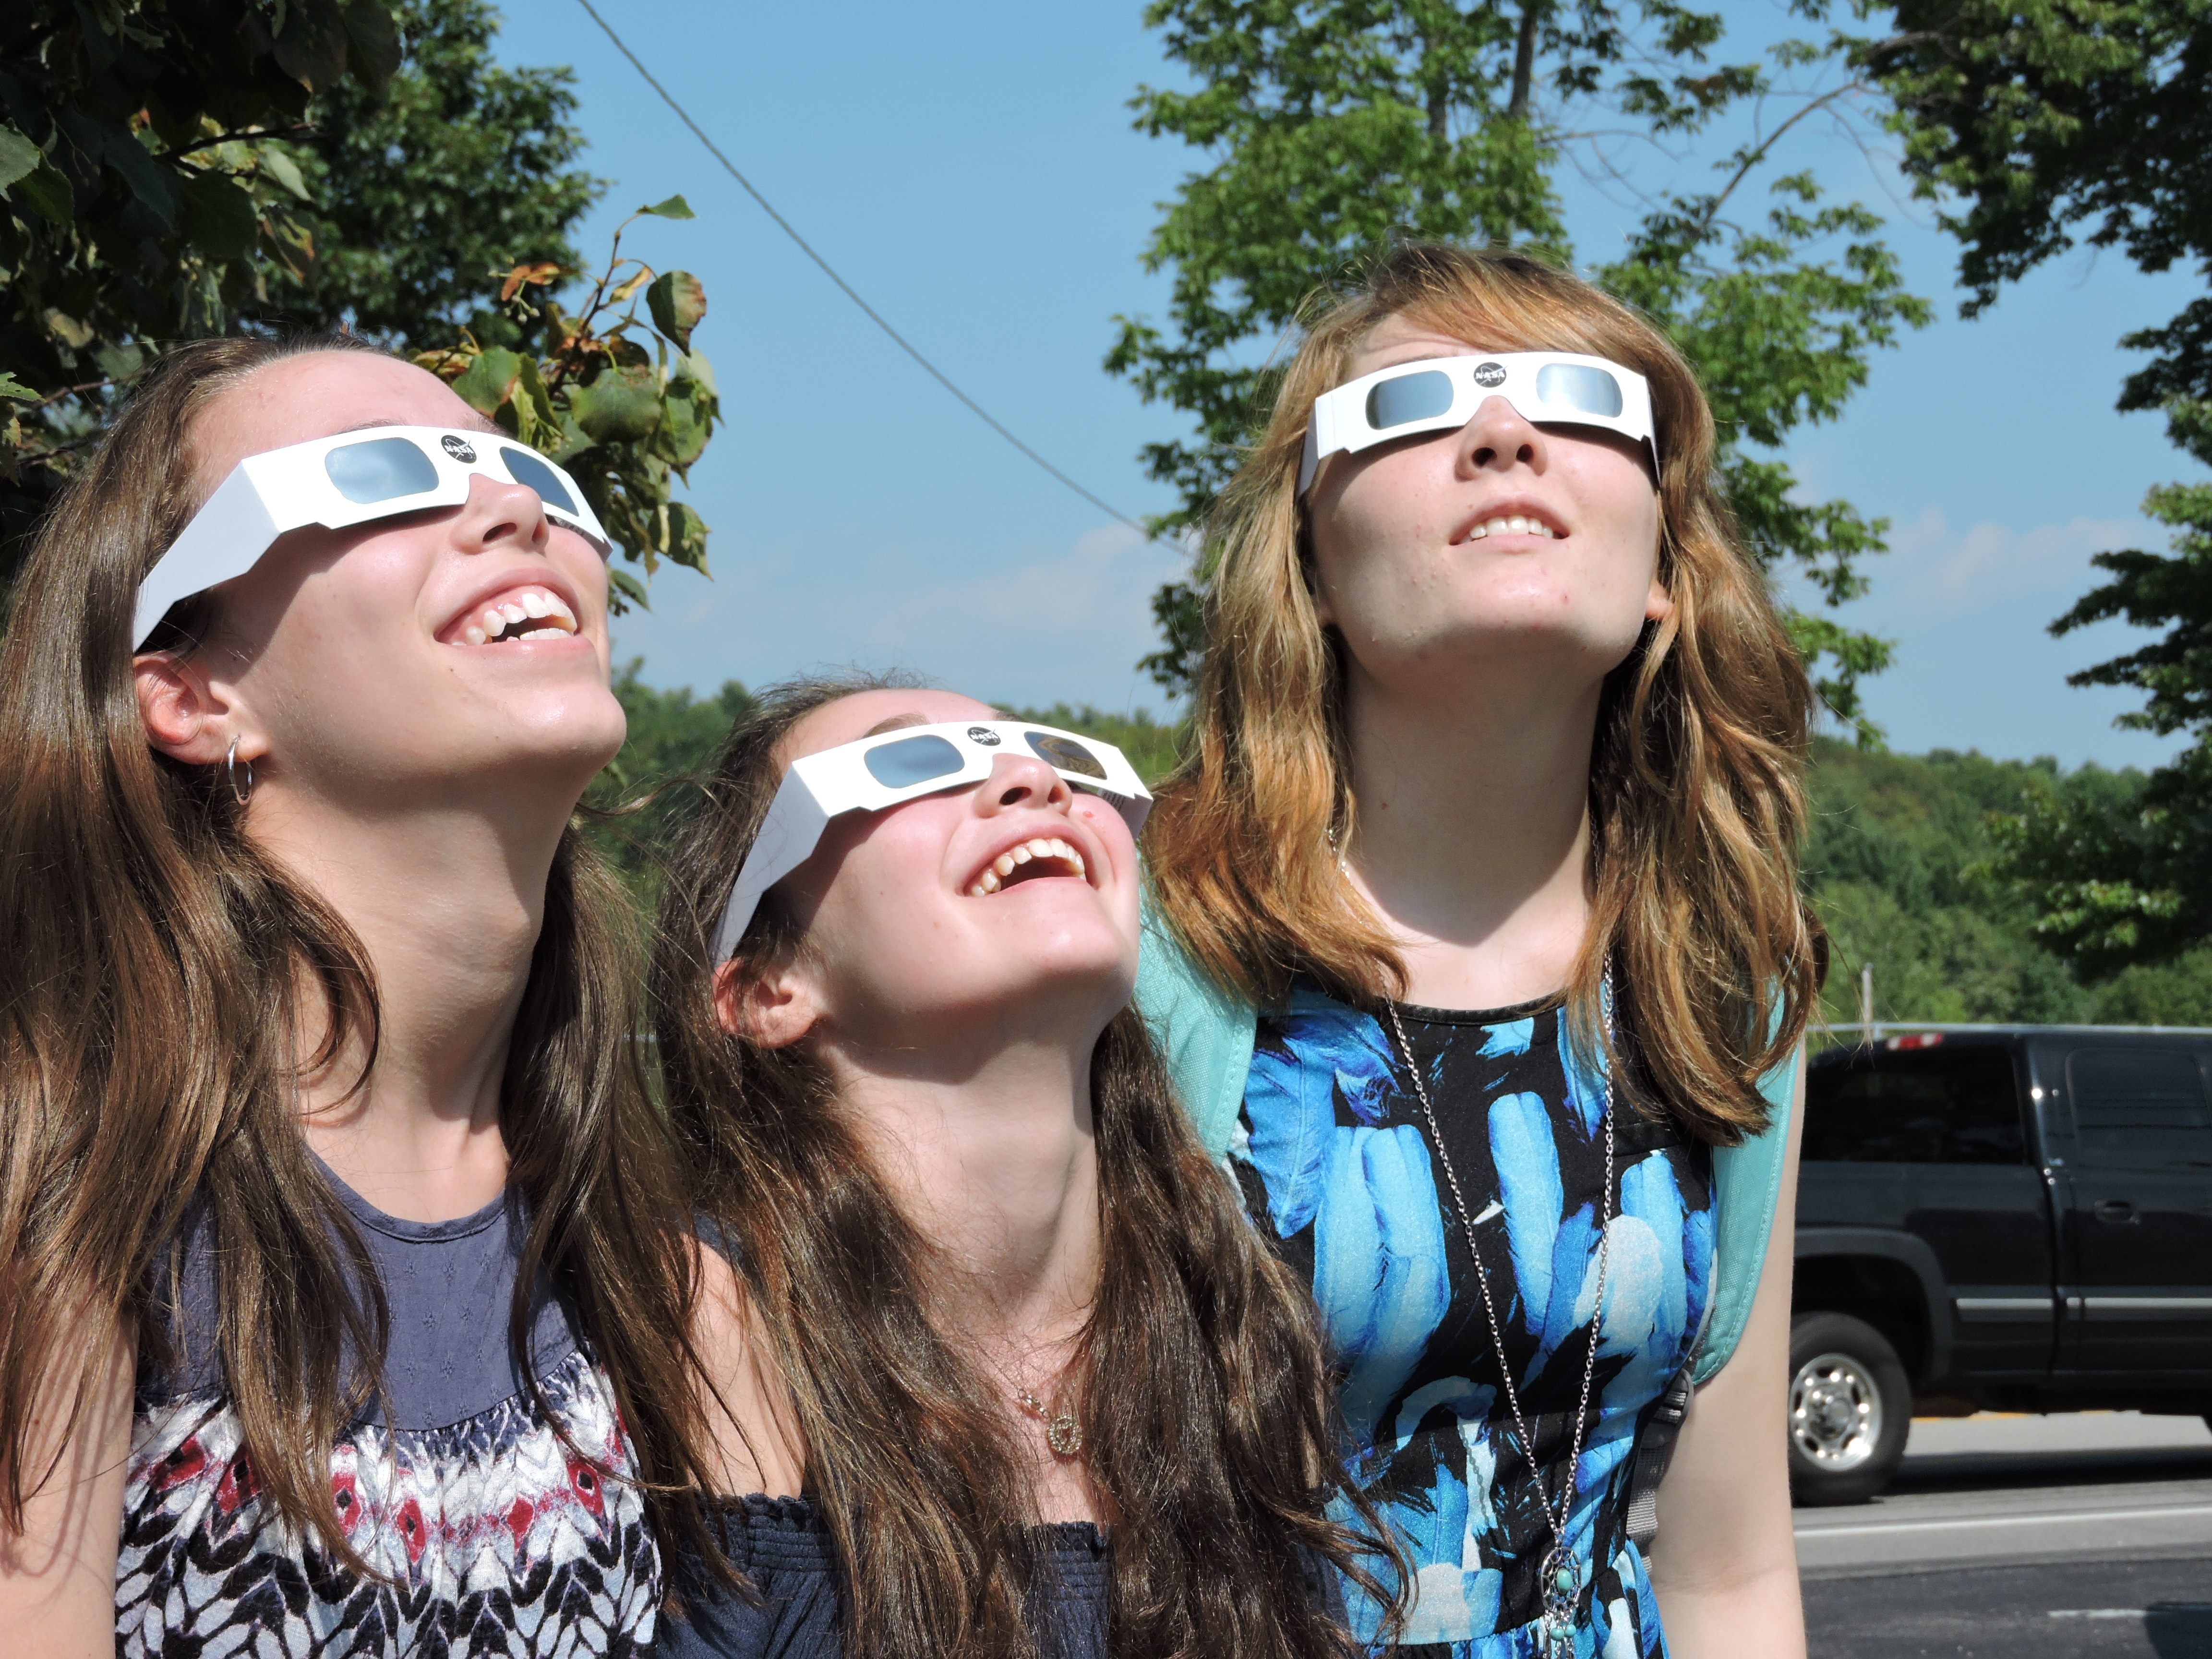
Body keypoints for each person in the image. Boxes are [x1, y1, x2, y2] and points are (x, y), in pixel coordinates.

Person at [1135, 241, 1820, 1658]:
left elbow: (1733, 1569)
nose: (1503, 433)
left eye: (1578, 406)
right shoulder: (1153, 955)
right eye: (1409, 409)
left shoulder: (1722, 987)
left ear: (1664, 577)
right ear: (1312, 566)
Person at [0, 337, 721, 1655]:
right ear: (196, 693)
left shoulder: (651, 1261)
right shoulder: (62, 1197)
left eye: (527, 473)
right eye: (381, 480)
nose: (514, 508)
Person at [647, 679, 1395, 1658]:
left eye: (1059, 756)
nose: (1032, 780)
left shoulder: (1235, 1333)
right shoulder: (692, 1329)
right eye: (906, 764)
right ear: (768, 989)